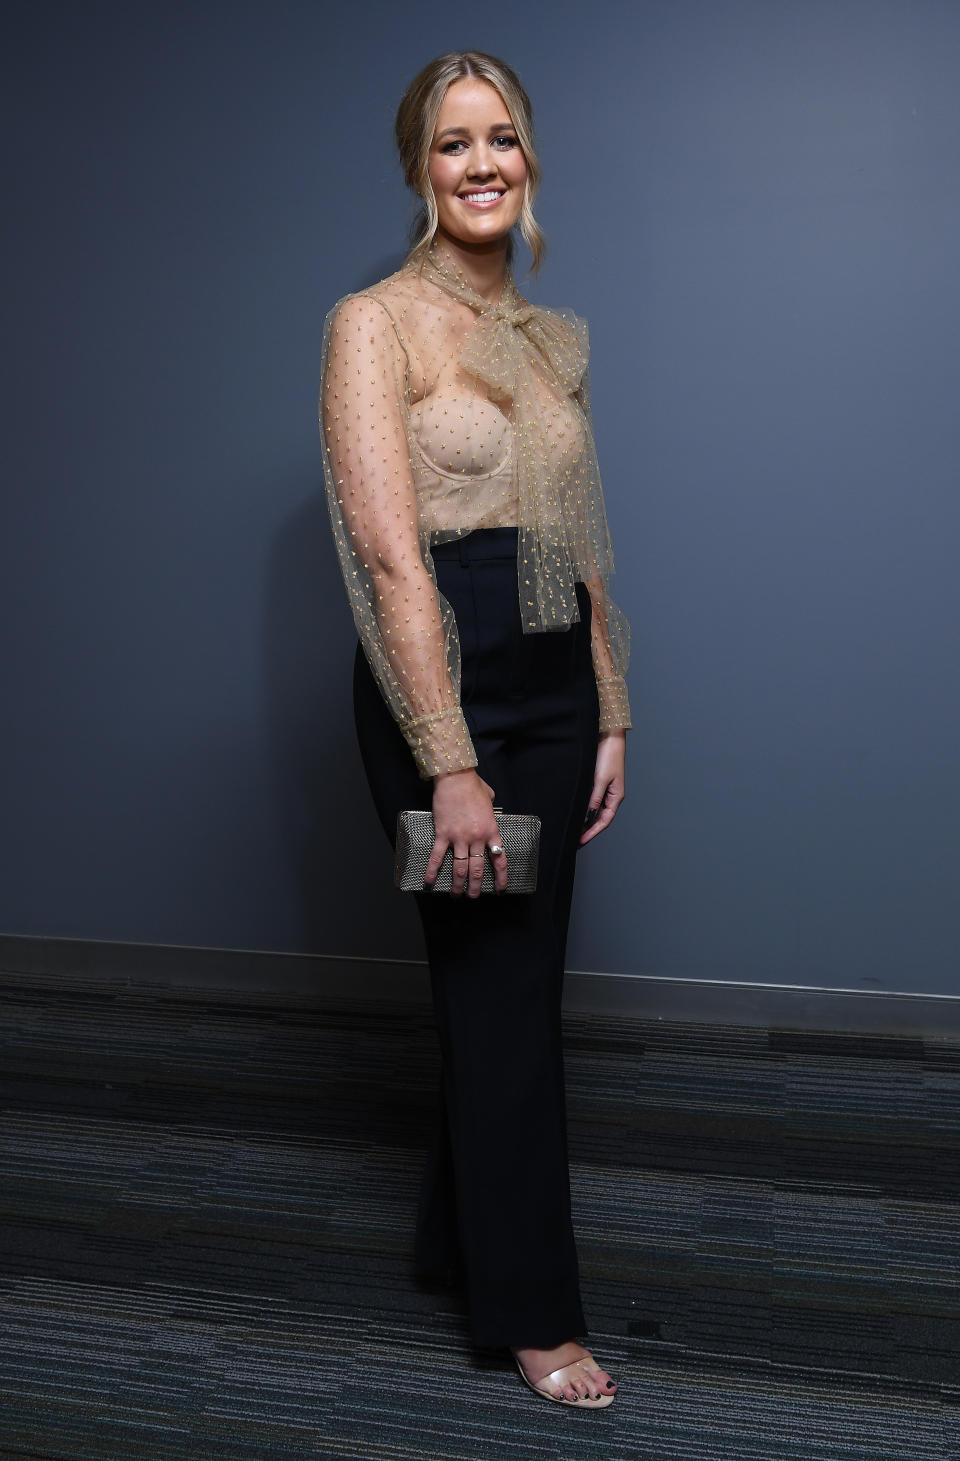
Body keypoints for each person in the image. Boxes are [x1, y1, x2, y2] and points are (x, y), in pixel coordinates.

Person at [318, 50, 630, 1409]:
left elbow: (589, 545)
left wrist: (612, 708)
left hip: (559, 672)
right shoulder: (373, 323)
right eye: (453, 144)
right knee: (501, 1000)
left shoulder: (549, 337)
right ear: (418, 170)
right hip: (441, 664)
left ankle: (461, 1236)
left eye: (502, 137)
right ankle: (535, 1313)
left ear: (530, 160)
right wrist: (449, 754)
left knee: (510, 989)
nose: (482, 163)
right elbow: (389, 558)